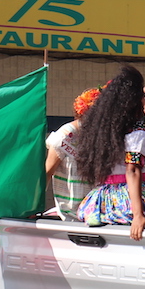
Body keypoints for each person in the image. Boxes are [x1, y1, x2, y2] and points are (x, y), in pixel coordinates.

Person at [73, 64, 145, 240]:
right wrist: (138, 214)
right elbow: (132, 170)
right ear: (134, 102)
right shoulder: (137, 136)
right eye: (142, 96)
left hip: (101, 202)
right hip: (131, 202)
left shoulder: (102, 135)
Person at [44, 87, 101, 219]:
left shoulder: (100, 137)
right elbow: (47, 172)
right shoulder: (65, 136)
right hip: (70, 216)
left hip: (95, 214)